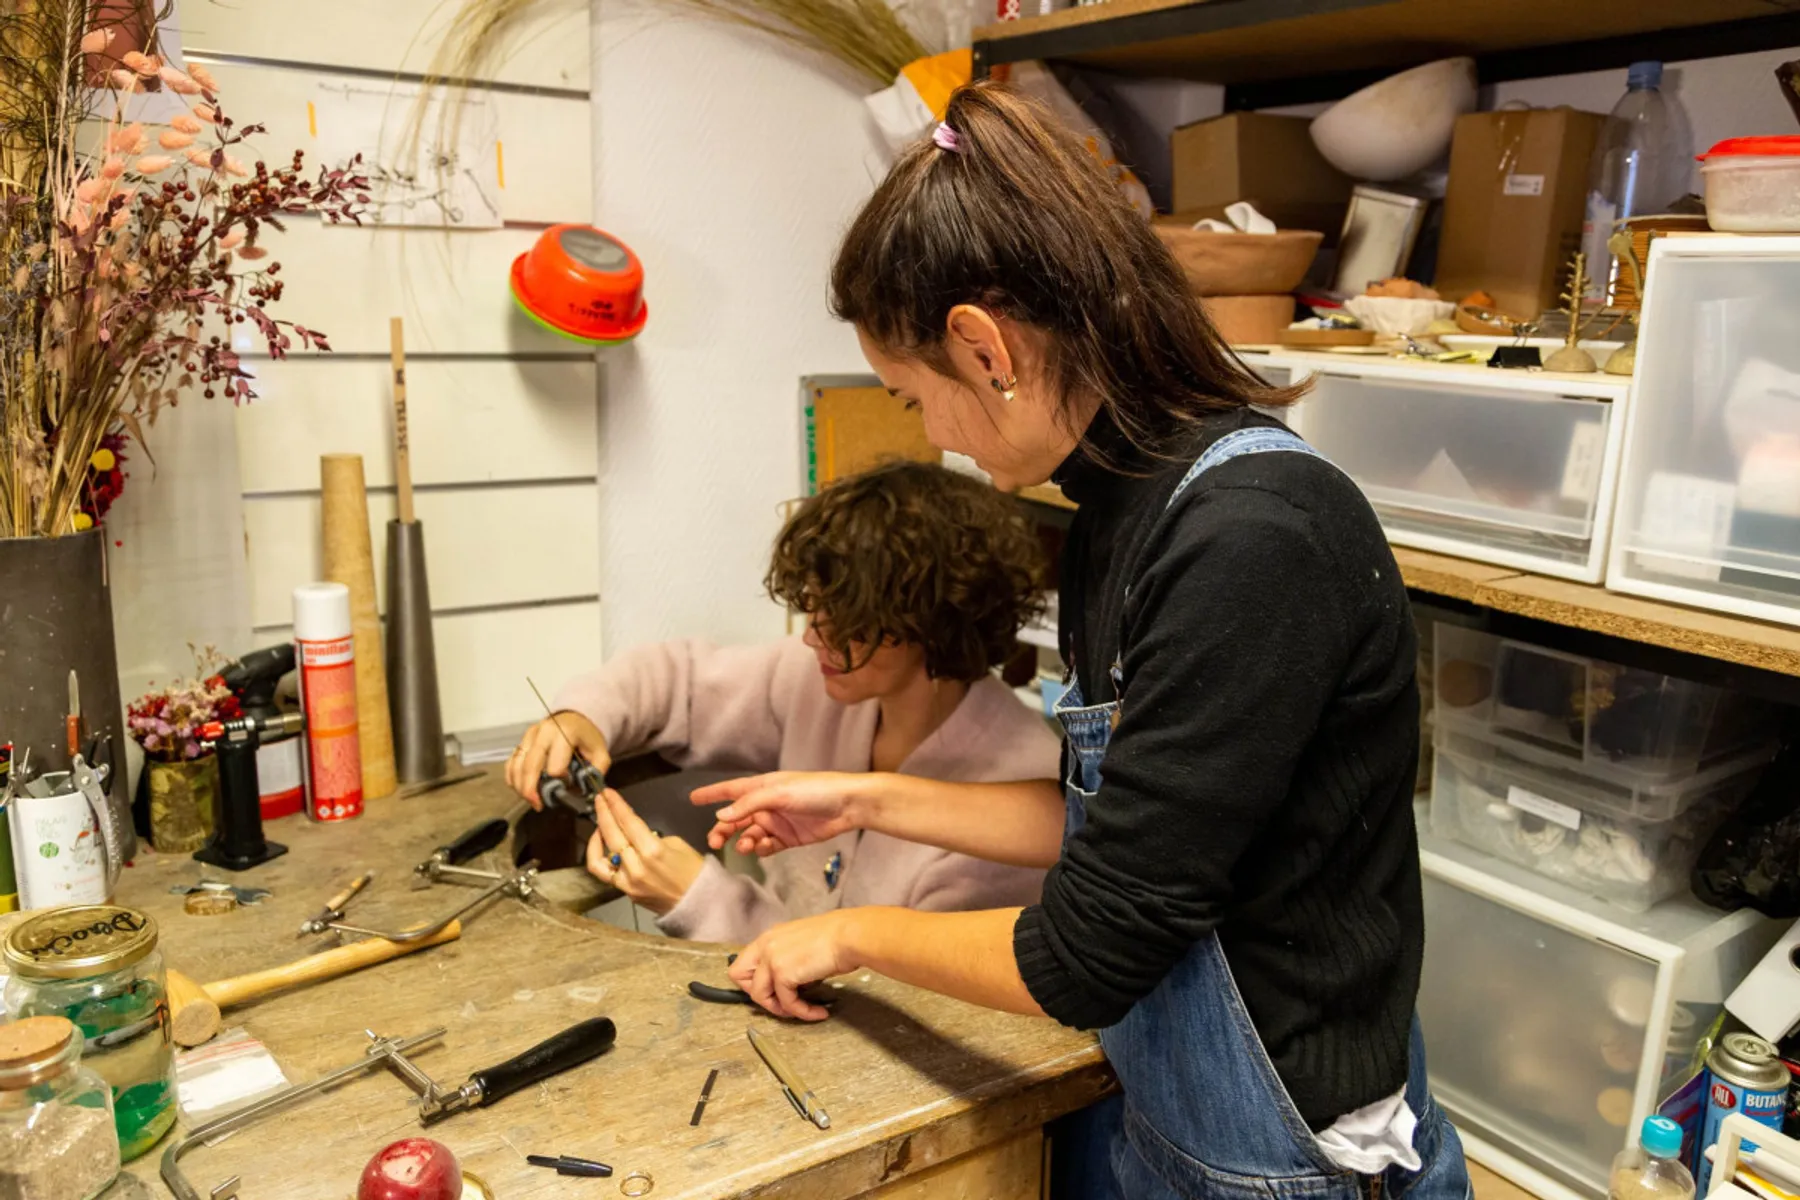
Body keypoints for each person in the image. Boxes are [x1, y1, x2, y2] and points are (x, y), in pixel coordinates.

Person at [694, 83, 1471, 1200]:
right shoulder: (1118, 507)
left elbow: (1089, 949)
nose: (935, 438)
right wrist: (859, 798)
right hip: (1172, 1125)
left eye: (915, 400)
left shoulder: (1249, 540)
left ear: (984, 348)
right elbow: (1098, 825)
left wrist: (851, 934)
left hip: (1291, 1163)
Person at [505, 459, 1057, 945]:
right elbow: (683, 682)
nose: (815, 637)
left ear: (933, 625)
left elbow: (878, 992)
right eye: (815, 608)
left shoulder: (1019, 804)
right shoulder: (822, 680)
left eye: (850, 623)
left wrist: (696, 898)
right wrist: (585, 714)